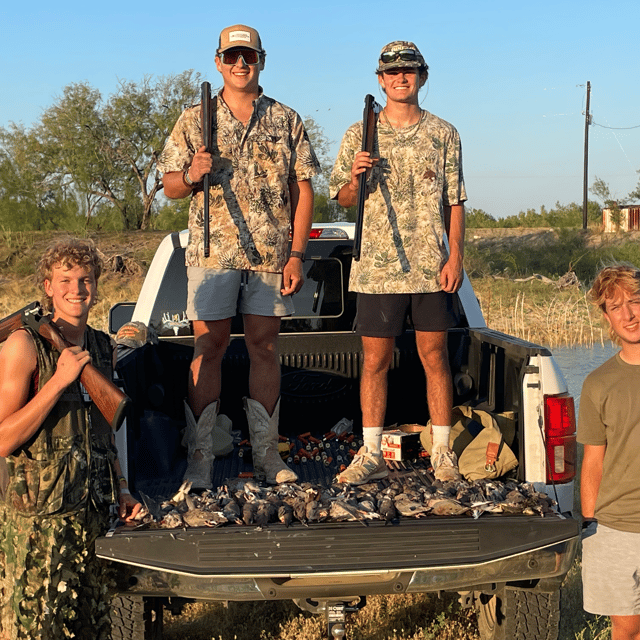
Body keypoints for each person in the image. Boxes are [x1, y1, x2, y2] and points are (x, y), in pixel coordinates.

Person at [158, 25, 320, 487]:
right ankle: (201, 458)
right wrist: (191, 174)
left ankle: (268, 457)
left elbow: (302, 190)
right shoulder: (194, 119)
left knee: (263, 349)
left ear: (262, 61)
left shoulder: (286, 119)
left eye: (248, 56)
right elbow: (170, 186)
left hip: (270, 256)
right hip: (212, 255)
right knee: (207, 348)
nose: (240, 64)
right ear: (218, 62)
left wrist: (296, 254)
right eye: (232, 57)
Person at [329, 41, 466, 485]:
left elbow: (455, 201)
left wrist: (456, 255)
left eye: (409, 71)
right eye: (392, 72)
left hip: (430, 265)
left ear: (422, 77)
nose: (400, 78)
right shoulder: (359, 134)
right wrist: (355, 177)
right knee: (375, 361)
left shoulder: (444, 133)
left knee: (434, 355)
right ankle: (369, 453)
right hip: (376, 268)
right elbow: (344, 199)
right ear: (380, 79)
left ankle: (443, 451)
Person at [0, 237, 141, 640]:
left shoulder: (101, 346)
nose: (76, 289)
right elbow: (2, 439)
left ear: (96, 287)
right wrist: (59, 381)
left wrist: (124, 488)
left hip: (92, 518)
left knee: (92, 630)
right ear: (48, 286)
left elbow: (104, 429)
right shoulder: (24, 346)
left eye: (85, 279)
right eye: (65, 279)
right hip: (39, 526)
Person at [578, 263, 640, 640]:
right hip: (616, 526)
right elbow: (593, 464)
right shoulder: (598, 383)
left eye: (635, 301)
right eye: (616, 307)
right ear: (606, 316)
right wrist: (590, 528)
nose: (628, 314)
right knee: (628, 628)